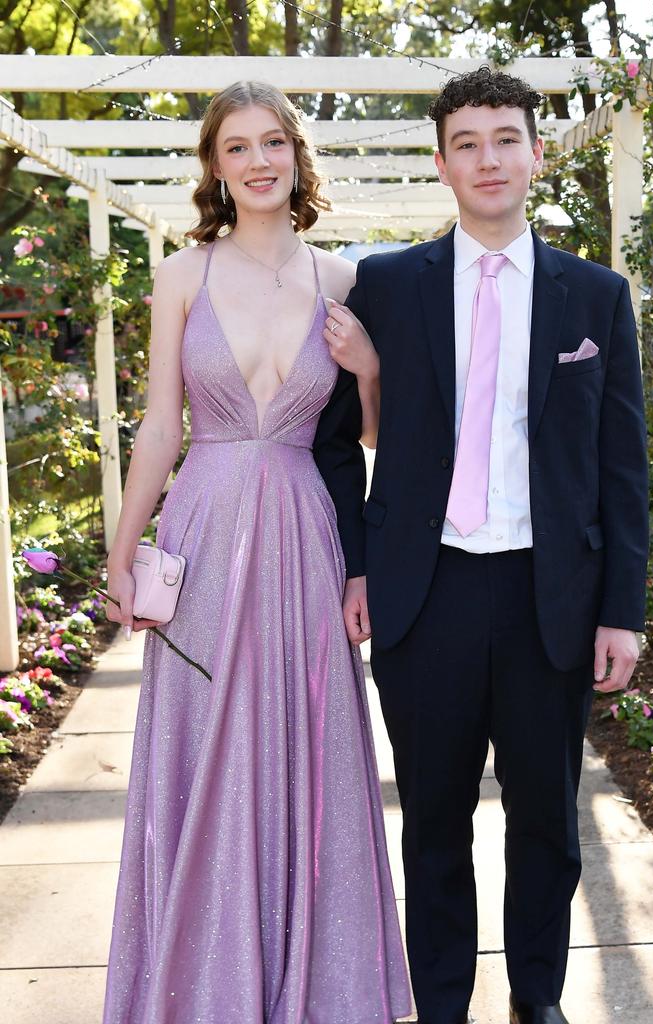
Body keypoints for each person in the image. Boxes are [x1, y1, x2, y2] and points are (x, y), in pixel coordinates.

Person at [315, 68, 649, 1024]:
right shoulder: (385, 286)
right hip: (428, 597)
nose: (489, 158)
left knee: (548, 821)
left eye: (506, 137)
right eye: (468, 142)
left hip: (555, 597)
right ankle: (445, 1006)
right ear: (442, 163)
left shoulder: (595, 296)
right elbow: (340, 441)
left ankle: (538, 1001)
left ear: (536, 153)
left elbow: (622, 466)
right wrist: (358, 561)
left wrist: (621, 609)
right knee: (433, 825)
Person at [102, 80, 411, 1024]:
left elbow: (368, 439)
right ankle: (204, 984)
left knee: (304, 740)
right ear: (215, 168)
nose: (258, 161)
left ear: (296, 156)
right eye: (236, 147)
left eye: (273, 142)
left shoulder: (344, 281)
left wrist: (368, 372)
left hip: (305, 536)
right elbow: (160, 428)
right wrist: (122, 553)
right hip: (203, 526)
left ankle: (312, 983)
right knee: (204, 744)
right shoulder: (182, 276)